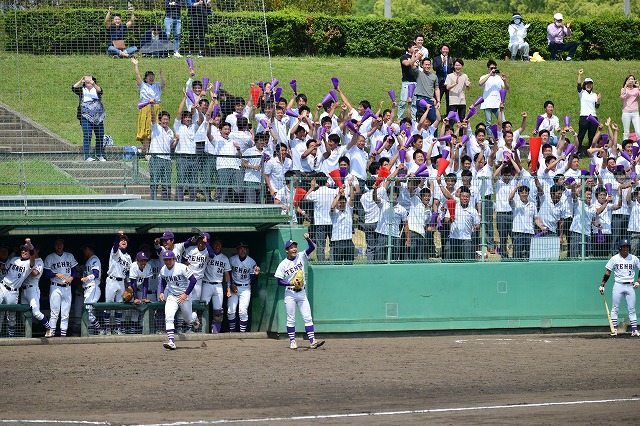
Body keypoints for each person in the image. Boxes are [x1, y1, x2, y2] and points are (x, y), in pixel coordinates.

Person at [274, 236, 325, 350]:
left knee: (307, 317)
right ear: (287, 250)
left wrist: (308, 239)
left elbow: (312, 247)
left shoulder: (301, 256)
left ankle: (312, 341)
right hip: (290, 293)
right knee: (291, 318)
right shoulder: (283, 264)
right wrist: (290, 283)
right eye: (291, 248)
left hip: (302, 292)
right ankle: (292, 341)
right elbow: (279, 281)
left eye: (295, 247)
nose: (294, 249)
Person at [159, 249, 198, 349]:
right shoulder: (163, 269)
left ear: (174, 259)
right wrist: (162, 292)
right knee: (169, 317)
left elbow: (193, 280)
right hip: (172, 296)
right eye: (166, 259)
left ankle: (194, 317)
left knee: (188, 319)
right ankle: (171, 341)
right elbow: (163, 280)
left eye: (170, 259)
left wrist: (186, 294)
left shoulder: (181, 267)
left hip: (184, 296)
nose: (168, 261)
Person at [600, 239, 640, 336]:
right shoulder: (614, 258)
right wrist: (602, 284)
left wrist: (638, 281)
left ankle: (634, 330)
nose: (626, 249)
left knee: (632, 309)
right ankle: (615, 329)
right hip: (618, 285)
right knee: (615, 308)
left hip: (630, 285)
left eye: (627, 247)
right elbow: (608, 272)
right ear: (620, 248)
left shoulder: (634, 258)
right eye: (624, 247)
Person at [43, 237, 78, 337]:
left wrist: (72, 277)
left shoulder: (69, 256)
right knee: (54, 313)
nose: (59, 245)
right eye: (57, 243)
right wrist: (56, 274)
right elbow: (46, 273)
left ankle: (63, 336)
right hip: (55, 287)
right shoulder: (50, 257)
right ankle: (52, 335)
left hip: (67, 287)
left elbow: (74, 271)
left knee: (65, 314)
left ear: (63, 244)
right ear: (54, 245)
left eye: (61, 243)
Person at [0, 239, 35, 337]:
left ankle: (11, 337)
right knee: (0, 314)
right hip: (2, 285)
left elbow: (32, 257)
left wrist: (30, 246)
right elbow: (4, 267)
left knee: (11, 316)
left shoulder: (29, 264)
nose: (23, 251)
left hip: (13, 292)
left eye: (26, 250)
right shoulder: (13, 259)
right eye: (22, 250)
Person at [132, 57, 166, 156]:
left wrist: (161, 74)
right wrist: (136, 65)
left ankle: (151, 149)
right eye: (149, 76)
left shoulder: (157, 86)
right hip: (146, 108)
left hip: (156, 108)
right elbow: (137, 76)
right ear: (146, 78)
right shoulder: (143, 85)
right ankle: (146, 151)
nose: (151, 78)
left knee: (156, 128)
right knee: (146, 129)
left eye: (152, 76)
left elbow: (164, 83)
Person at [227, 242, 260, 332]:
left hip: (245, 288)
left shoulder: (251, 261)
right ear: (237, 250)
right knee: (231, 311)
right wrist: (231, 284)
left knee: (243, 311)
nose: (242, 250)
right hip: (234, 287)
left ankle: (242, 334)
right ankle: (232, 332)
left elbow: (252, 278)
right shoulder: (232, 259)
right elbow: (227, 273)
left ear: (247, 250)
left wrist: (256, 274)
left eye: (244, 248)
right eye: (240, 249)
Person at [103, 231, 132, 336]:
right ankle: (107, 328)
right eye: (122, 240)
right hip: (112, 280)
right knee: (109, 305)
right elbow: (115, 245)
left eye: (125, 240)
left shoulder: (128, 257)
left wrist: (128, 284)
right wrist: (118, 236)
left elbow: (128, 272)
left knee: (119, 306)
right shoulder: (115, 251)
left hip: (121, 282)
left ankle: (117, 328)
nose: (124, 241)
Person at [72, 75, 106, 162]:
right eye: (87, 81)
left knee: (100, 135)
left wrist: (93, 84)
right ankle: (87, 156)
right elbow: (74, 88)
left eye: (90, 81)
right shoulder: (82, 90)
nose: (89, 83)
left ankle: (99, 154)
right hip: (85, 116)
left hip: (98, 117)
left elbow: (100, 91)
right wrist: (80, 81)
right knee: (87, 136)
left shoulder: (96, 89)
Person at [20, 243, 51, 334]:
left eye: (32, 250)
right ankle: (27, 334)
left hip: (33, 289)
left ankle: (49, 328)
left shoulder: (39, 261)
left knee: (36, 313)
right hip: (23, 290)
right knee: (23, 314)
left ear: (37, 251)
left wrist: (26, 266)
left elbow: (35, 273)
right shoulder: (25, 261)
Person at [202, 236, 231, 333]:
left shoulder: (224, 258)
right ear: (212, 244)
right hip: (206, 284)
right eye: (216, 243)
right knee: (203, 307)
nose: (218, 245)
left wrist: (228, 288)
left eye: (220, 243)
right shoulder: (206, 255)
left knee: (218, 311)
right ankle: (202, 331)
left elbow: (226, 274)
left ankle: (215, 333)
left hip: (218, 285)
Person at [149, 102, 176, 201]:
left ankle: (166, 203)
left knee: (166, 184)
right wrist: (152, 106)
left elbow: (171, 146)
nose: (165, 121)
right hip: (156, 158)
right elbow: (152, 117)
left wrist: (176, 141)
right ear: (160, 120)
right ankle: (153, 202)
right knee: (154, 183)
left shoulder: (170, 132)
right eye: (163, 119)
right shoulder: (156, 128)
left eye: (167, 119)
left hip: (167, 160)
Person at [79, 242, 104, 335]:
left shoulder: (94, 259)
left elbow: (96, 273)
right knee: (89, 313)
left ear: (89, 249)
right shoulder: (88, 260)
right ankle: (90, 334)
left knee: (88, 311)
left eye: (85, 249)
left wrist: (87, 278)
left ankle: (100, 330)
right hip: (87, 289)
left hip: (93, 287)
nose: (84, 252)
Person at [577, 69, 601, 156]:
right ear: (585, 85)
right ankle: (579, 151)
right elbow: (578, 86)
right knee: (581, 135)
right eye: (587, 84)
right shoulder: (582, 92)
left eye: (590, 84)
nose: (589, 85)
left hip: (593, 117)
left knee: (592, 136)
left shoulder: (594, 95)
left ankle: (590, 151)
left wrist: (598, 100)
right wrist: (579, 75)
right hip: (584, 116)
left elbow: (597, 106)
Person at [479, 60, 508, 127]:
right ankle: (490, 137)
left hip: (497, 103)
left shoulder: (499, 78)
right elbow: (480, 83)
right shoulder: (484, 77)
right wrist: (489, 74)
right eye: (491, 68)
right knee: (488, 123)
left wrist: (505, 80)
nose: (493, 69)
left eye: (495, 68)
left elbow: (506, 88)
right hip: (487, 103)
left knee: (503, 121)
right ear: (488, 68)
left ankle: (505, 135)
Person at [412, 58, 440, 124]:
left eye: (429, 65)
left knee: (433, 120)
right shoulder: (419, 73)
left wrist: (438, 101)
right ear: (422, 65)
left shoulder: (434, 76)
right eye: (426, 64)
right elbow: (412, 65)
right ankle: (420, 134)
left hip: (430, 100)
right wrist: (416, 56)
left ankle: (433, 134)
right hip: (420, 100)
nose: (427, 66)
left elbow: (436, 88)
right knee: (421, 120)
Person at [398, 41, 421, 120]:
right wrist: (416, 58)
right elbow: (407, 64)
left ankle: (413, 120)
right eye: (414, 47)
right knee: (403, 102)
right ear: (409, 48)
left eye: (416, 47)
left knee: (414, 103)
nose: (416, 48)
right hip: (406, 83)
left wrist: (419, 59)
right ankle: (400, 119)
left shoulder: (418, 57)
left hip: (416, 82)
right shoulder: (403, 57)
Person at [432, 43, 454, 109]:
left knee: (449, 100)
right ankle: (434, 115)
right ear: (440, 50)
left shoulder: (451, 59)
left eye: (447, 49)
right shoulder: (436, 59)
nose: (445, 51)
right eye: (444, 49)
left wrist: (452, 64)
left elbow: (454, 69)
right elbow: (435, 68)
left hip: (449, 82)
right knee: (436, 99)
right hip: (439, 82)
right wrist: (442, 63)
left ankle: (449, 116)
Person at [621, 75, 640, 141]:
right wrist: (625, 86)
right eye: (629, 79)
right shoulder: (624, 89)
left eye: (632, 79)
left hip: (635, 113)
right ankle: (624, 147)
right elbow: (622, 97)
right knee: (626, 132)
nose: (631, 81)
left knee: (638, 132)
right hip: (626, 112)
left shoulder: (636, 89)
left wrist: (638, 86)